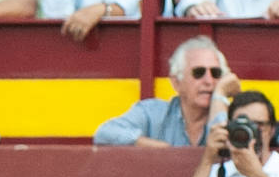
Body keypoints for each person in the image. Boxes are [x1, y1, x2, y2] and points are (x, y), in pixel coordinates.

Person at [93, 33, 236, 146]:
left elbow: (222, 146)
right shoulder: (152, 112)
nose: (209, 81)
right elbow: (104, 133)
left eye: (216, 73)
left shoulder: (232, 116)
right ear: (176, 83)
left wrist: (220, 96)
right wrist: (150, 145)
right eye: (198, 73)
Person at [180, 88, 279, 177]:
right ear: (229, 128)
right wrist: (207, 159)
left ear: (272, 130)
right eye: (242, 126)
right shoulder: (218, 171)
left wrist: (255, 174)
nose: (249, 132)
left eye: (258, 125)